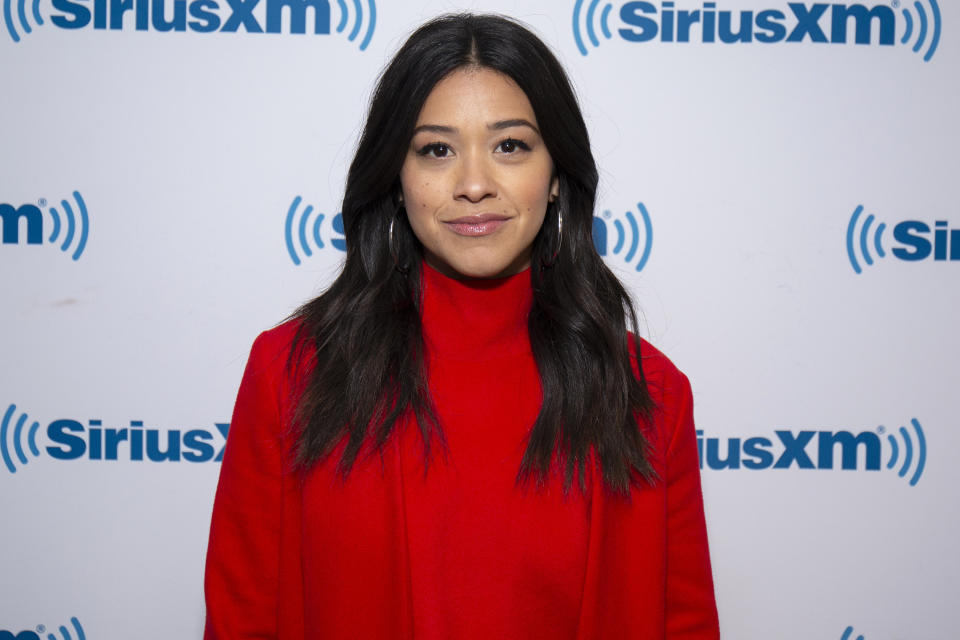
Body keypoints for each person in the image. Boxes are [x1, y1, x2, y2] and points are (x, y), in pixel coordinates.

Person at [204, 13, 719, 639]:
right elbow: (241, 618)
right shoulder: (291, 374)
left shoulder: (650, 396)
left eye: (510, 146)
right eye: (436, 149)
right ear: (396, 179)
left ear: (556, 176)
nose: (474, 184)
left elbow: (682, 623)